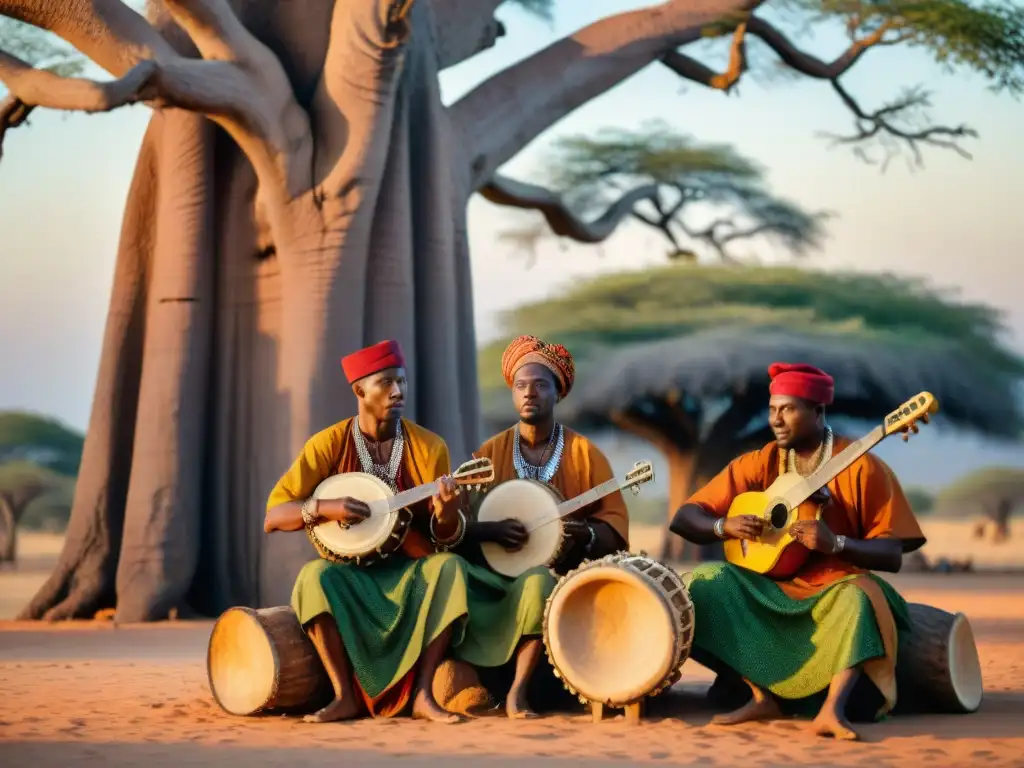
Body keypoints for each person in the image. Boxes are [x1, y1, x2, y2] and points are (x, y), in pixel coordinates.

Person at [264, 340, 552, 723]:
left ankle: (423, 695)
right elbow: (274, 516)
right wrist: (324, 508)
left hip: (412, 568)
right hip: (355, 575)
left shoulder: (428, 446)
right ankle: (343, 696)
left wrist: (447, 511)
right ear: (359, 390)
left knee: (447, 566)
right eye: (386, 383)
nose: (398, 392)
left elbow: (446, 537)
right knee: (314, 577)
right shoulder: (328, 444)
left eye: (402, 381)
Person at [669, 362, 927, 741]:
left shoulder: (863, 468)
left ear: (818, 411)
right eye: (773, 410)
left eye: (788, 409)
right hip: (768, 588)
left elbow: (892, 555)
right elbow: (685, 517)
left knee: (856, 600)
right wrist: (723, 526)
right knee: (704, 582)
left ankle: (831, 711)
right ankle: (762, 695)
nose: (777, 420)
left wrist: (836, 543)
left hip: (832, 590)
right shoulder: (761, 462)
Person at [462, 334, 631, 712]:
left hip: (563, 575)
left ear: (558, 393)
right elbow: (462, 525)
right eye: (521, 385)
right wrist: (491, 531)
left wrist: (581, 534)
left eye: (540, 385)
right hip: (497, 575)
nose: (529, 393)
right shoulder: (489, 454)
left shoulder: (586, 454)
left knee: (539, 581)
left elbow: (615, 526)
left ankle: (519, 692)